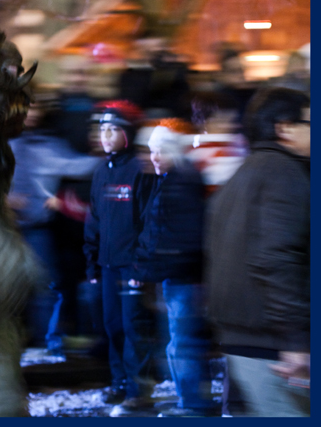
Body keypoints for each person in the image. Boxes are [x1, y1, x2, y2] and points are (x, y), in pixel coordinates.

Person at [205, 87, 310, 417]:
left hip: (248, 337)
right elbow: (275, 258)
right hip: (274, 345)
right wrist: (296, 341)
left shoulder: (243, 173)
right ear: (285, 128)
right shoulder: (284, 173)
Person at [133, 125, 219, 417]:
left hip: (181, 277)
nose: (155, 157)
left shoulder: (179, 184)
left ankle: (193, 405)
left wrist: (149, 268)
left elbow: (175, 238)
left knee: (183, 344)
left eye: (160, 151)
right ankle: (192, 400)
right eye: (152, 151)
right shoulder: (175, 181)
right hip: (178, 276)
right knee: (182, 343)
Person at [8, 96, 100, 356]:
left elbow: (77, 165)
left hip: (38, 227)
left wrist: (105, 156)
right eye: (26, 108)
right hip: (3, 227)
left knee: (46, 286)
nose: (31, 114)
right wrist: (4, 199)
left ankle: (43, 341)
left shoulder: (47, 145)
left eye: (35, 108)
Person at [83, 100, 156, 413]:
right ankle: (119, 382)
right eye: (102, 129)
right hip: (108, 264)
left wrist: (141, 262)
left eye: (113, 129)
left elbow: (149, 220)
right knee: (112, 326)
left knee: (133, 327)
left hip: (132, 265)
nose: (106, 135)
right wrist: (92, 260)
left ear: (128, 133)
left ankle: (138, 388)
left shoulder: (140, 169)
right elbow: (94, 218)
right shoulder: (101, 171)